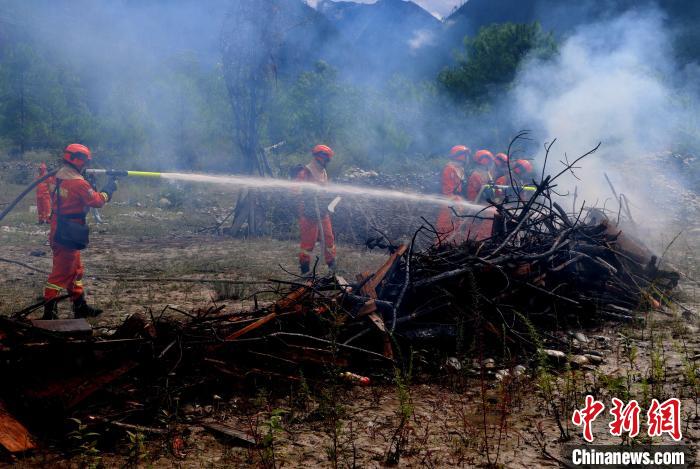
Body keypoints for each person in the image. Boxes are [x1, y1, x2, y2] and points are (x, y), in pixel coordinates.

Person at [43, 143, 117, 319]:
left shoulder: (56, 177)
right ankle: (49, 313)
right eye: (85, 161)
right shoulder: (78, 183)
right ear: (78, 160)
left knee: (75, 270)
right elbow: (97, 201)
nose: (86, 165)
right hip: (69, 231)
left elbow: (69, 194)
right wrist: (108, 189)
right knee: (60, 274)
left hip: (60, 227)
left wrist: (86, 181)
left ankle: (80, 307)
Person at [295, 144, 336, 275]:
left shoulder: (323, 172)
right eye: (326, 158)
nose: (327, 161)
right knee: (308, 244)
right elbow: (295, 191)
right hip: (308, 213)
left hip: (322, 211)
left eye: (328, 158)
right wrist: (307, 193)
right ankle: (305, 270)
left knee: (329, 239)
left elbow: (325, 190)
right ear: (319, 157)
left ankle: (332, 267)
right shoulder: (306, 172)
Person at [435, 145, 470, 238]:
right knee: (445, 230)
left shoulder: (460, 169)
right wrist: (455, 204)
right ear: (460, 156)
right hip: (449, 205)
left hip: (457, 203)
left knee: (456, 231)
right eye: (466, 155)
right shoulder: (449, 169)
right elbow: (448, 191)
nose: (467, 158)